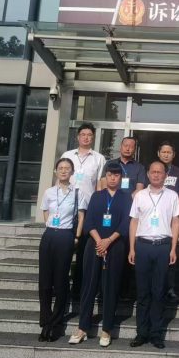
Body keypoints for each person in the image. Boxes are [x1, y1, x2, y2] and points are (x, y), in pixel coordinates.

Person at [69, 162, 132, 348]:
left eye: (116, 175)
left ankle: (106, 329)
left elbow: (125, 224)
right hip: (94, 245)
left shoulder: (126, 198)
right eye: (110, 174)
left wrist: (108, 241)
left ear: (121, 178)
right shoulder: (97, 196)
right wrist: (99, 241)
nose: (113, 178)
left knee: (111, 286)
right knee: (88, 285)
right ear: (105, 177)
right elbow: (89, 222)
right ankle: (82, 327)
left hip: (115, 245)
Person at [128, 161, 179, 349]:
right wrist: (132, 248)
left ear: (165, 175)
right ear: (148, 174)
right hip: (143, 246)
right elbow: (134, 222)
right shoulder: (140, 195)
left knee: (159, 292)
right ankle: (142, 333)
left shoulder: (172, 195)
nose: (156, 175)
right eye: (153, 172)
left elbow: (176, 222)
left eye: (160, 172)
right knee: (143, 292)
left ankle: (156, 334)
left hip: (163, 246)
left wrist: (173, 248)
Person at [37, 158, 84, 341]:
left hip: (66, 236)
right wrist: (51, 227)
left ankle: (56, 324)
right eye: (61, 168)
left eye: (67, 168)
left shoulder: (77, 193)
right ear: (55, 171)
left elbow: (81, 217)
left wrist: (76, 237)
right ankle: (45, 322)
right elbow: (46, 212)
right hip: (49, 235)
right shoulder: (49, 192)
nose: (64, 171)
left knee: (61, 280)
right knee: (45, 281)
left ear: (72, 172)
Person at [60, 123, 106, 298]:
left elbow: (100, 185)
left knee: (83, 251)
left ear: (93, 138)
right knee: (64, 249)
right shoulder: (67, 155)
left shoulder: (99, 159)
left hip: (86, 210)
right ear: (78, 137)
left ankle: (78, 287)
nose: (86, 137)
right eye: (83, 134)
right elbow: (59, 179)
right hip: (66, 208)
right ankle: (61, 285)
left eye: (89, 135)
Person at [158, 140, 179, 304]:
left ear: (173, 155)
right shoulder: (153, 169)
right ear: (158, 154)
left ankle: (170, 289)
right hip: (155, 221)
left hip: (172, 221)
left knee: (171, 254)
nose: (166, 155)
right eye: (163, 152)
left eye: (169, 152)